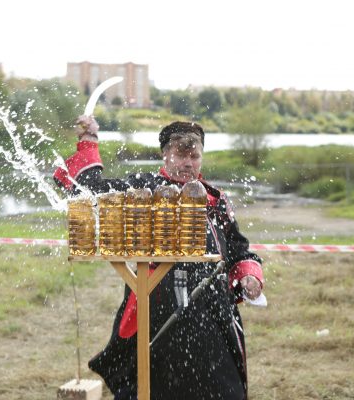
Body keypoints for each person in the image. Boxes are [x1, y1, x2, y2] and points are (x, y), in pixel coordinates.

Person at [54, 116, 264, 400]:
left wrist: (249, 274)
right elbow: (88, 191)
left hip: (210, 315)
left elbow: (239, 250)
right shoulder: (143, 190)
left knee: (222, 391)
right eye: (180, 154)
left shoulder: (216, 200)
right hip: (154, 308)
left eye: (195, 156)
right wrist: (89, 141)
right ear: (165, 154)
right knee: (150, 388)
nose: (188, 163)